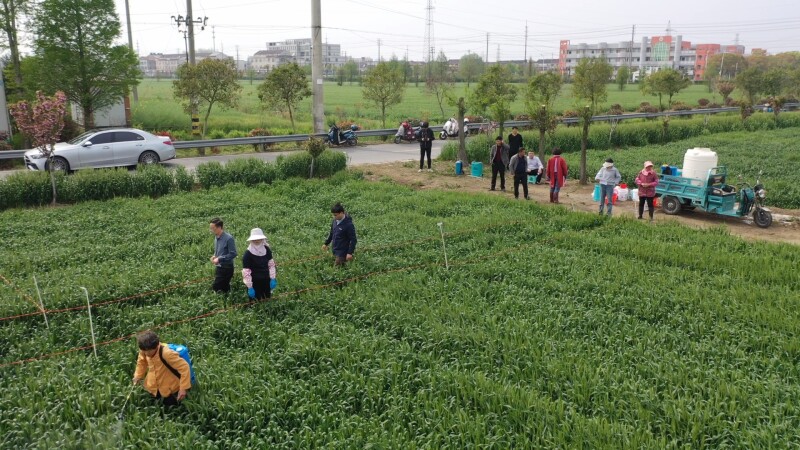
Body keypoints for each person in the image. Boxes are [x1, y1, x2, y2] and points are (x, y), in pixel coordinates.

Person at [132, 330, 191, 407]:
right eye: (144, 351)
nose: (147, 353)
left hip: (170, 390)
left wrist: (183, 389)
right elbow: (141, 362)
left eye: (149, 351)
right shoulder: (144, 349)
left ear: (156, 346)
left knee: (172, 408)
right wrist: (138, 376)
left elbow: (184, 367)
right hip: (153, 388)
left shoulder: (166, 353)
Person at [242, 228, 277, 300]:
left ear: (262, 239)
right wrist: (250, 287)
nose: (257, 241)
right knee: (256, 302)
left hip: (266, 280)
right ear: (251, 240)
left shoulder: (266, 249)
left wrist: (272, 278)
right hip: (255, 282)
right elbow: (246, 272)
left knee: (266, 299)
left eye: (259, 238)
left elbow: (271, 264)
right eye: (255, 239)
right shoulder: (248, 254)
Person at [209, 217, 237, 293]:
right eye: (210, 228)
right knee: (224, 288)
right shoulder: (216, 237)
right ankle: (227, 299)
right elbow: (219, 251)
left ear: (219, 227)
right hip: (219, 267)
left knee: (217, 287)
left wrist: (220, 259)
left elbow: (233, 253)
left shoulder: (229, 238)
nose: (211, 230)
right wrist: (214, 256)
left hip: (227, 268)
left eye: (213, 228)